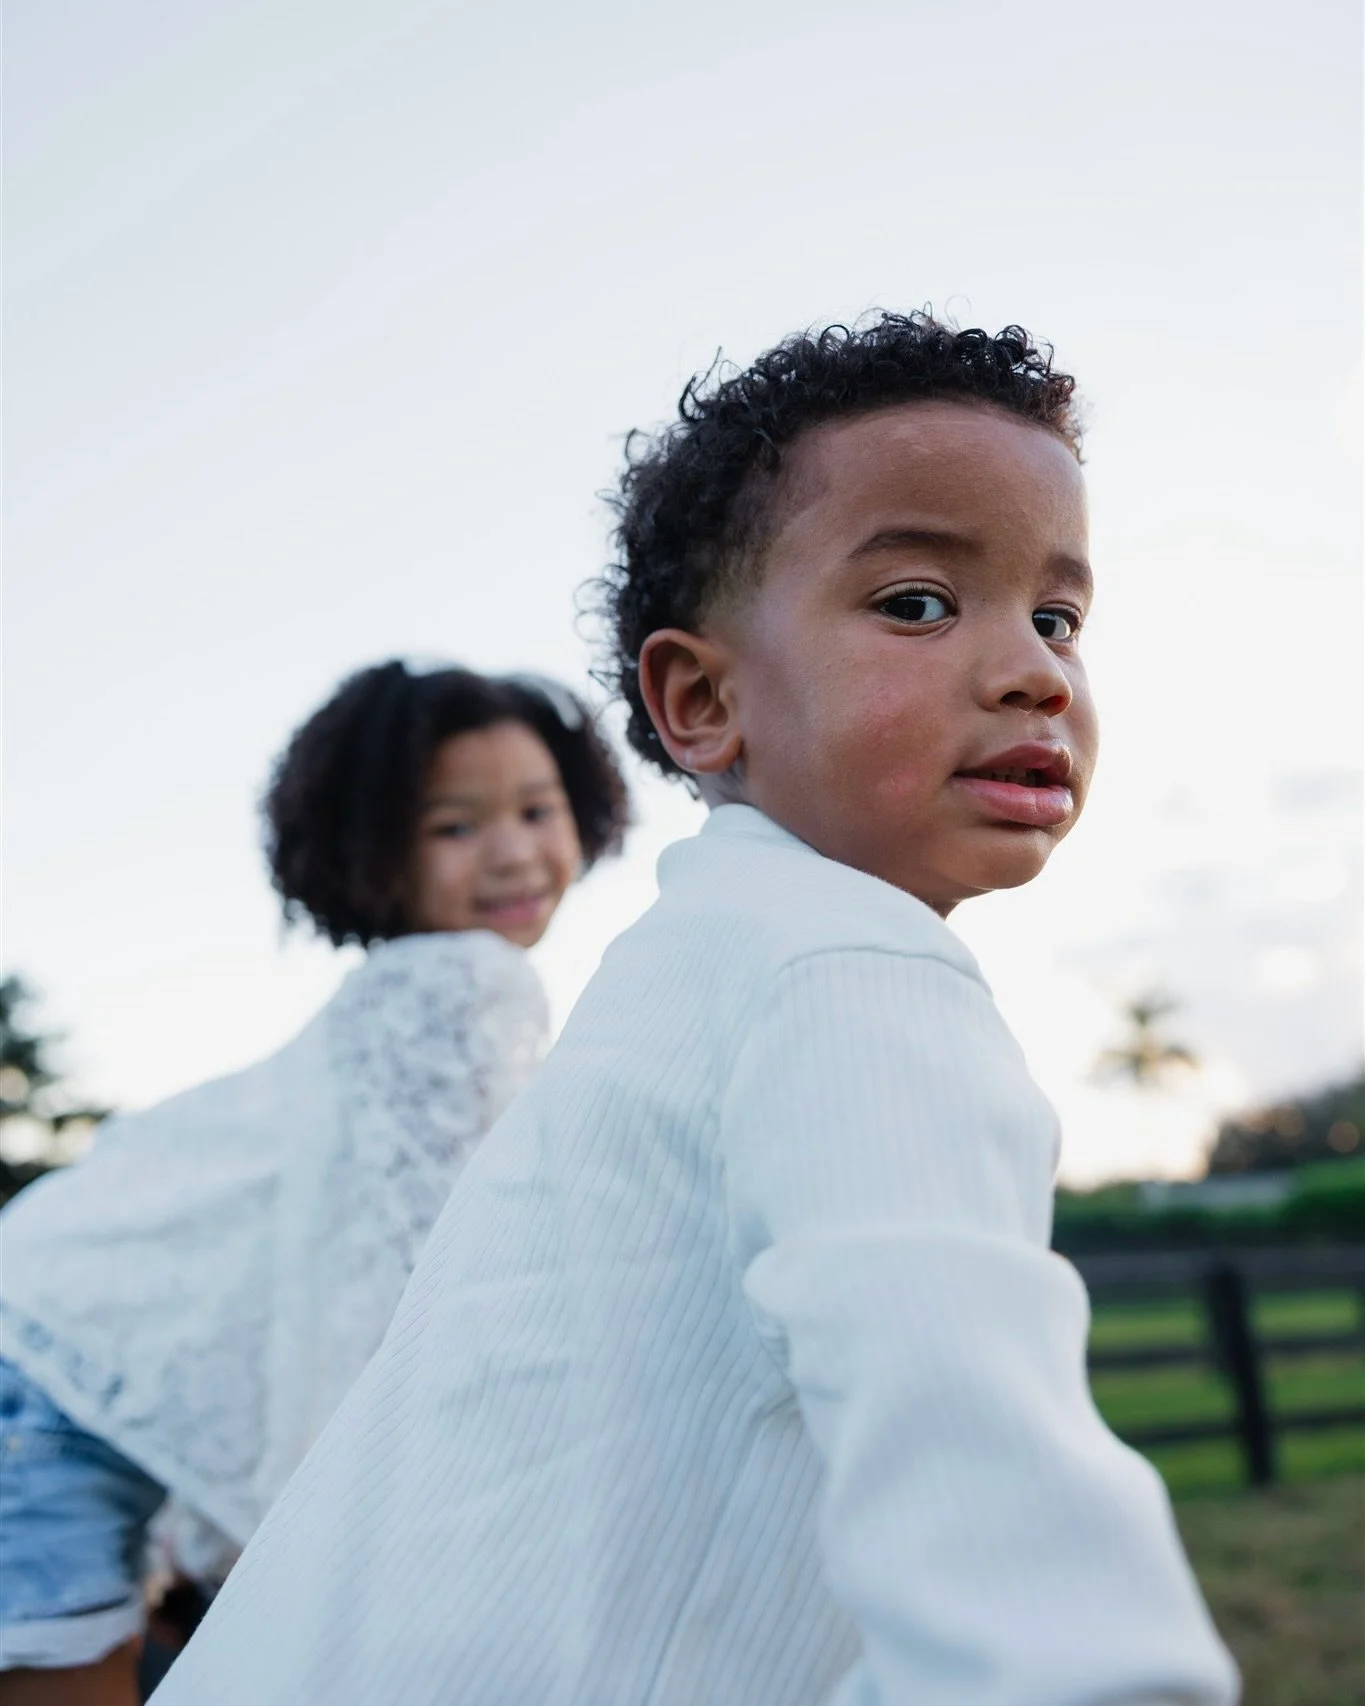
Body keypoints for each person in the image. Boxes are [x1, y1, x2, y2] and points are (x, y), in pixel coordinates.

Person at [152, 314, 1239, 1704]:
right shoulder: (843, 971)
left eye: (1059, 614)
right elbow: (1011, 1555)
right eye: (916, 600)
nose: (1033, 667)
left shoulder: (692, 961)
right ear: (700, 698)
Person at [0, 662, 629, 1705]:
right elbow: (410, 1280)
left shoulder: (407, 990)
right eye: (454, 827)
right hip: (48, 1385)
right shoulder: (467, 986)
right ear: (370, 846)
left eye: (536, 807)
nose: (516, 849)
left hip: (50, 1344)